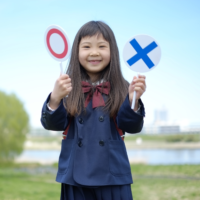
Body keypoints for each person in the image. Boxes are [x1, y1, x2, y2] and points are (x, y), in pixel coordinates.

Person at [41, 21, 146, 200]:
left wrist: (133, 101)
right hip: (75, 176)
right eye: (87, 46)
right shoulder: (67, 87)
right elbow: (53, 124)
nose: (94, 52)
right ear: (76, 52)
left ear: (113, 51)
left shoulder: (124, 87)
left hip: (113, 176)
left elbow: (132, 126)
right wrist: (55, 98)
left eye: (102, 46)